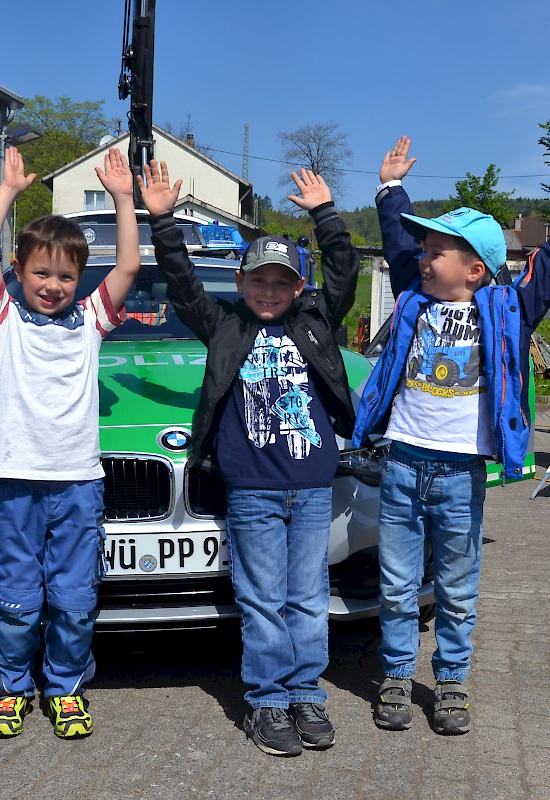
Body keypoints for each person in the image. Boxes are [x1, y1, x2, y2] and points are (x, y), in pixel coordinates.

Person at [353, 136, 550, 735]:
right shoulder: (413, 297)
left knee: (457, 588)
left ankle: (451, 682)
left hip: (461, 474)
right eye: (424, 250)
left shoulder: (509, 308)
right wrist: (390, 189)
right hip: (402, 463)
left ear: (475, 269)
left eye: (437, 251)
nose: (423, 258)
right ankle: (397, 676)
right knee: (398, 584)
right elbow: (398, 240)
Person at [138, 160, 359, 758]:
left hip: (311, 486)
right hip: (252, 491)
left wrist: (326, 214)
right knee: (262, 600)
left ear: (298, 288)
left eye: (281, 283)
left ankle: (306, 694)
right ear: (239, 283)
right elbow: (182, 280)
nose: (269, 292)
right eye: (258, 281)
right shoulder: (224, 326)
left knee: (308, 598)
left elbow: (344, 273)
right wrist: (162, 220)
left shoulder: (315, 323)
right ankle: (267, 701)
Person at [0, 145, 139, 740]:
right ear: (19, 272)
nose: (52, 285)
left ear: (79, 280)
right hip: (17, 481)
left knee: (73, 599)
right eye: (40, 273)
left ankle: (65, 688)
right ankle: (10, 689)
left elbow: (128, 267)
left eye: (66, 276)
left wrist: (123, 199)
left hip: (78, 483)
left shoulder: (91, 323)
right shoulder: (3, 323)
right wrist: (8, 191)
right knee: (16, 597)